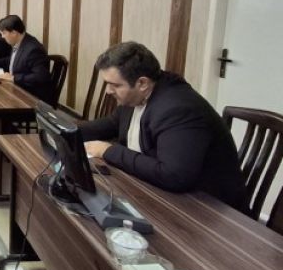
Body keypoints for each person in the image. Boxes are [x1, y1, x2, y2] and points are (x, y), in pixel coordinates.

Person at [80, 42, 249, 212]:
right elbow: (110, 124)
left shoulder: (178, 109)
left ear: (142, 83)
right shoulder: (137, 95)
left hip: (209, 209)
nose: (108, 91)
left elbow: (174, 176)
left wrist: (107, 150)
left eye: (115, 85)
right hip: (158, 190)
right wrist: (68, 131)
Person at [0, 15, 53, 103]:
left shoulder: (33, 49)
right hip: (17, 88)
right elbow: (12, 61)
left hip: (30, 96)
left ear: (14, 33)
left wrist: (14, 78)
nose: (2, 36)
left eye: (4, 33)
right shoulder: (20, 42)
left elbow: (41, 77)